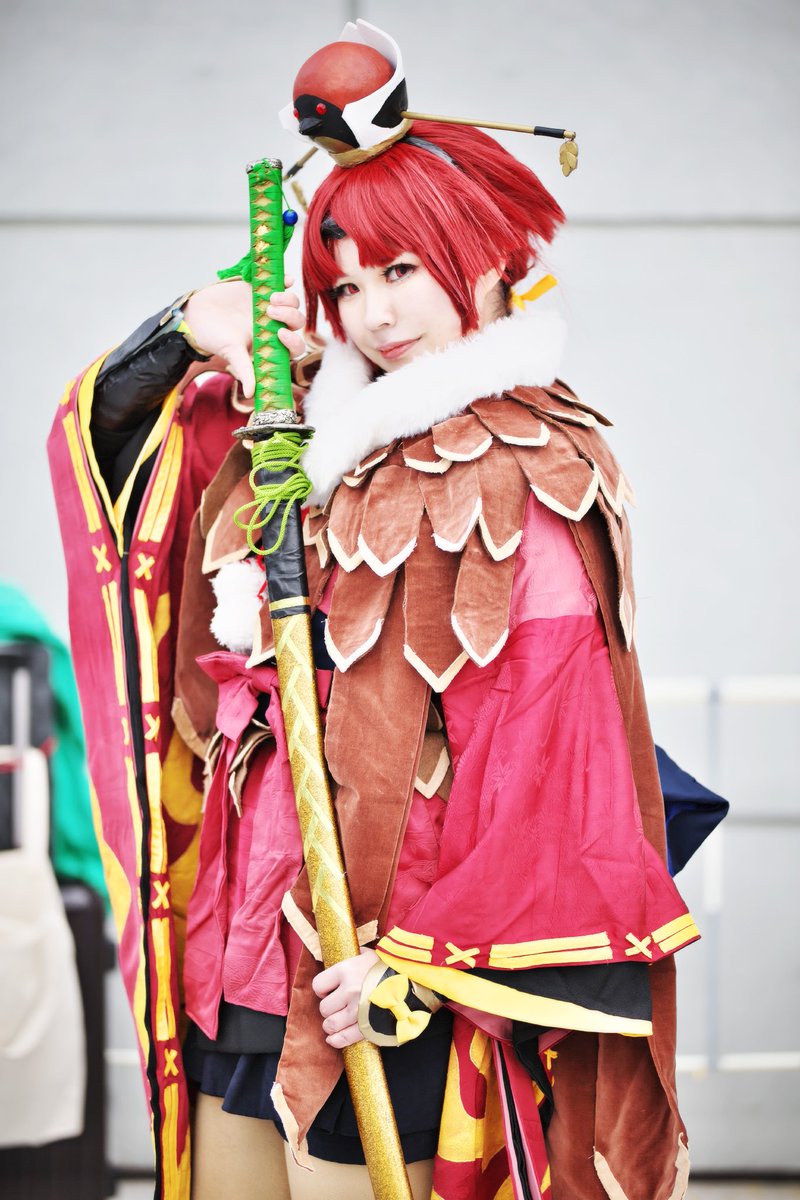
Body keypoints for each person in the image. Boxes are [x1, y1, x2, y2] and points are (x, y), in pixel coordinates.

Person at [48, 20, 700, 1200]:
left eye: (402, 272)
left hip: (384, 976)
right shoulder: (301, 438)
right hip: (243, 952)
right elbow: (112, 449)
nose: (376, 315)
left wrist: (420, 967)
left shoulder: (526, 461)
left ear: (483, 260)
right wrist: (187, 324)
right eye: (345, 287)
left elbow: (552, 753)